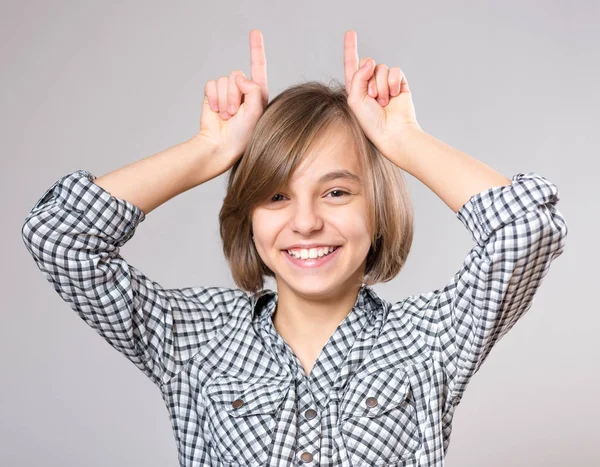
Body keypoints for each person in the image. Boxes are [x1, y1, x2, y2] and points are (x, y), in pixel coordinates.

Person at [21, 29, 568, 467]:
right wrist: (209, 149)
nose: (306, 222)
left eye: (336, 192)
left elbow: (526, 229)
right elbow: (60, 234)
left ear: (376, 210)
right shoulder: (194, 339)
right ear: (251, 216)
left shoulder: (429, 341)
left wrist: (402, 141)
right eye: (276, 195)